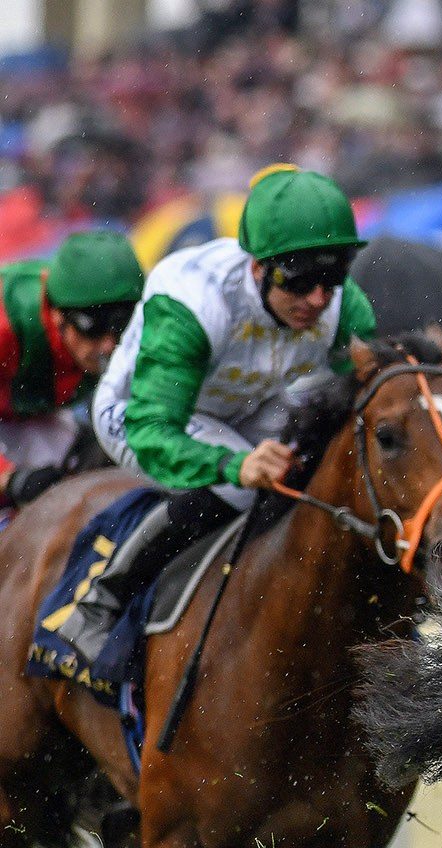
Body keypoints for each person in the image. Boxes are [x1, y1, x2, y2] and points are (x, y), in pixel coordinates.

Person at [52, 165, 376, 659]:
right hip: (147, 414)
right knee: (238, 487)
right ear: (258, 267)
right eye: (301, 278)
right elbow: (152, 428)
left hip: (247, 402)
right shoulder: (194, 303)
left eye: (331, 277)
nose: (317, 298)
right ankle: (102, 600)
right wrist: (233, 465)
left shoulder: (342, 307)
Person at [0, 229, 144, 509]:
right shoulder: (7, 326)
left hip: (30, 414)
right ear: (56, 313)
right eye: (94, 327)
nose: (107, 345)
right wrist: (10, 480)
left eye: (120, 325)